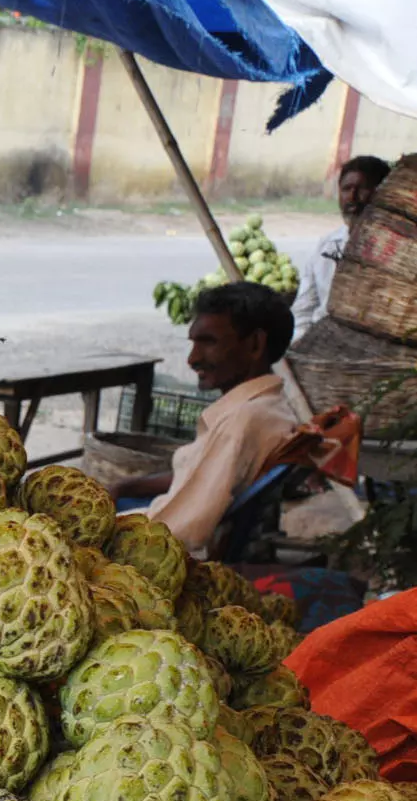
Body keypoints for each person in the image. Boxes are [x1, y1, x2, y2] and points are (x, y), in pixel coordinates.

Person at [111, 282, 314, 557]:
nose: (192, 359)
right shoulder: (267, 407)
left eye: (209, 342)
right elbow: (197, 474)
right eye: (194, 343)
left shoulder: (242, 423)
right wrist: (125, 486)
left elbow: (180, 529)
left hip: (159, 544)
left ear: (255, 344)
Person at [292, 154, 392, 332]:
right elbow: (303, 310)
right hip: (319, 342)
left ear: (382, 193)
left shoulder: (396, 251)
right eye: (346, 189)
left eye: (362, 189)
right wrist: (297, 349)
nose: (352, 197)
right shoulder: (327, 245)